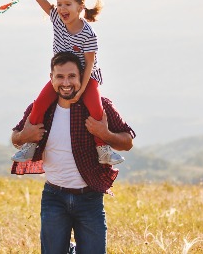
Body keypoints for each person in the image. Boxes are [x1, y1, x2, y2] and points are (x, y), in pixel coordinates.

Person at [11, 51, 136, 254]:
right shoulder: (41, 108)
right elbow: (16, 138)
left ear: (81, 78)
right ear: (51, 78)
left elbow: (127, 141)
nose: (66, 82)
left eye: (72, 76)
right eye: (60, 76)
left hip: (89, 198)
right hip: (54, 197)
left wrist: (104, 133)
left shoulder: (100, 106)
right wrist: (25, 135)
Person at [12, 0, 125, 166]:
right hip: (62, 74)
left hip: (86, 76)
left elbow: (90, 63)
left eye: (68, 4)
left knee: (96, 108)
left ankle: (103, 148)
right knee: (39, 104)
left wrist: (81, 89)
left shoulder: (88, 34)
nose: (62, 8)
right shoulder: (56, 17)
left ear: (80, 7)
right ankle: (30, 144)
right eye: (60, 4)